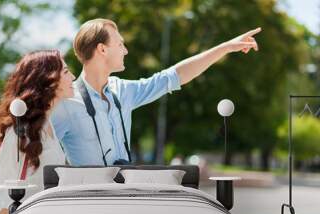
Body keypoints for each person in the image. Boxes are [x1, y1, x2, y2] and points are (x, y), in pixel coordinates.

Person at [51, 18, 261, 166]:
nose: (125, 50)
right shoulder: (66, 104)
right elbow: (36, 154)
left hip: (124, 198)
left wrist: (225, 47)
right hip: (86, 207)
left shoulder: (122, 90)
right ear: (102, 49)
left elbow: (173, 76)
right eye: (120, 43)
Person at [0, 49, 75, 214]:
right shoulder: (20, 131)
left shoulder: (48, 127)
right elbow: (1, 202)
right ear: (48, 78)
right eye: (66, 72)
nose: (73, 77)